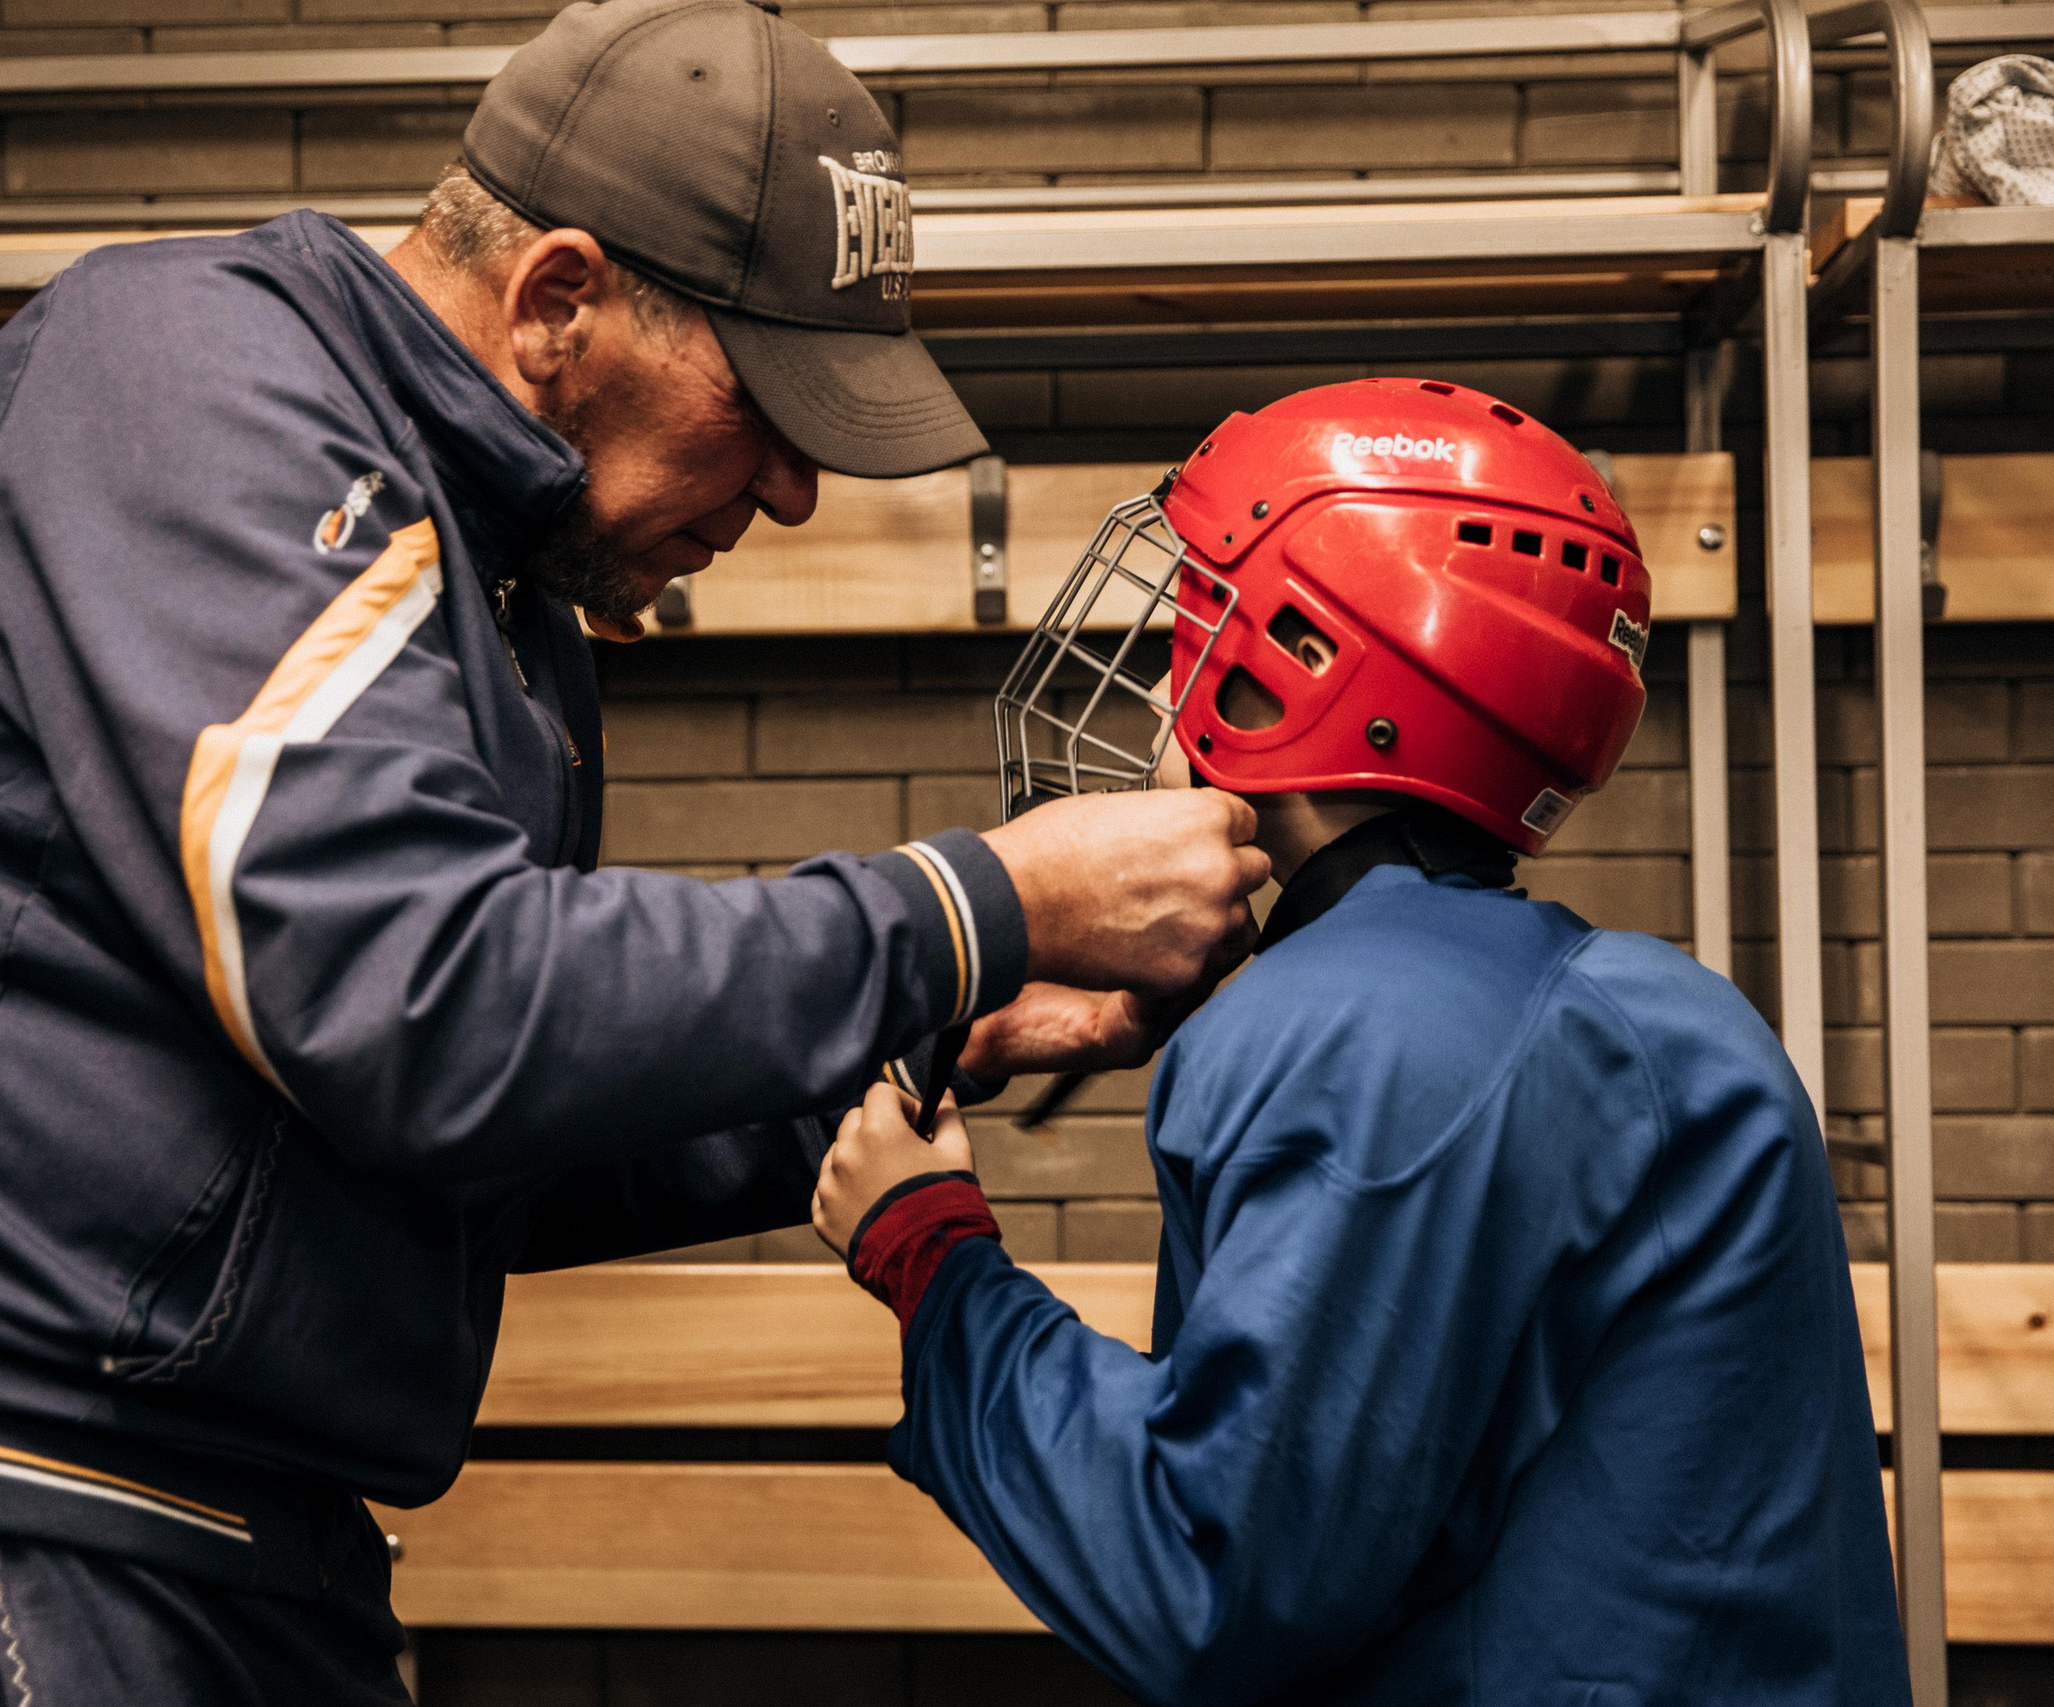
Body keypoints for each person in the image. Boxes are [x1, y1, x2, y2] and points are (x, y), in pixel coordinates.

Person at [0, 3, 1268, 1701]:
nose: (791, 492)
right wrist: (981, 905)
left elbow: (475, 1130)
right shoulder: (196, 389)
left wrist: (926, 1028)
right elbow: (425, 1007)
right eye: (767, 404)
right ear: (561, 301)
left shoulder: (499, 583)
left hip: (194, 1514)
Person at [814, 379, 1912, 1706]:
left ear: (1311, 659)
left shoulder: (1364, 1031)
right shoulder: (1624, 1006)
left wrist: (932, 1259)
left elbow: (1207, 1578)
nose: (1167, 669)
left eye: (1200, 614)